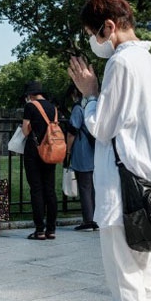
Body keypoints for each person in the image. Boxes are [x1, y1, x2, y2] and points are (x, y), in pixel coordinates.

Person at [68, 0, 151, 301]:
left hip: (122, 186)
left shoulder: (121, 62)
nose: (94, 42)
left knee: (125, 280)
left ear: (109, 27)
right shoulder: (145, 60)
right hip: (145, 180)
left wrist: (90, 94)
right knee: (143, 274)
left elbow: (102, 127)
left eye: (93, 34)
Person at [21, 80, 59, 240]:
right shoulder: (53, 108)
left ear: (30, 95)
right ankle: (51, 229)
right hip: (50, 150)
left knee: (36, 189)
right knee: (50, 189)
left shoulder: (30, 107)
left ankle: (39, 229)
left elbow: (25, 130)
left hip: (34, 151)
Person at [67, 89, 98, 231]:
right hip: (95, 153)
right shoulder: (94, 105)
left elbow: (72, 131)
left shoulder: (78, 108)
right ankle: (96, 219)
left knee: (84, 187)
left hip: (82, 152)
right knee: (93, 188)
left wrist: (67, 150)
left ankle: (88, 220)